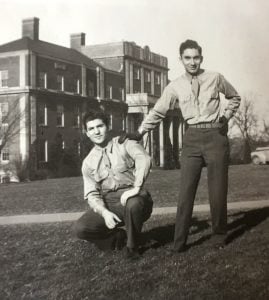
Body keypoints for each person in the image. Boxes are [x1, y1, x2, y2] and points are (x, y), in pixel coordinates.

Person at [119, 39, 241, 252]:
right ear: (181, 60)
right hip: (192, 138)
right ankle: (179, 242)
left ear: (201, 58)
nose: (192, 62)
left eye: (196, 57)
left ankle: (219, 234)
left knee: (217, 190)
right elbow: (158, 111)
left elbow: (234, 97)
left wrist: (225, 118)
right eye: (187, 58)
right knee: (186, 191)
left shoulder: (215, 78)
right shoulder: (174, 85)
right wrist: (139, 132)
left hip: (215, 136)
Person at [73, 110, 153, 260]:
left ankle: (133, 247)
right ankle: (116, 238)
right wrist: (104, 212)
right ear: (86, 133)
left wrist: (136, 188)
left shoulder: (124, 143)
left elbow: (144, 159)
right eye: (91, 129)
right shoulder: (88, 162)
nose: (96, 132)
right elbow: (92, 194)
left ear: (107, 126)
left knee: (133, 204)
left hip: (135, 197)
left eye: (100, 126)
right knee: (81, 228)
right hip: (110, 203)